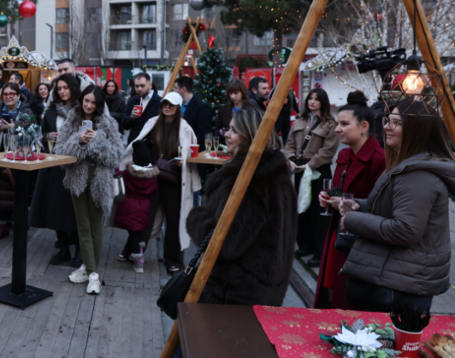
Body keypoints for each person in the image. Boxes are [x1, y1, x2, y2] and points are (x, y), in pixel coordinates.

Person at [340, 100, 455, 312]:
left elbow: (405, 230)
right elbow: (391, 208)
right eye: (387, 120)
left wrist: (351, 219)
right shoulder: (406, 165)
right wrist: (359, 205)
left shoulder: (417, 175)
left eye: (396, 122)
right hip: (397, 275)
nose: (386, 127)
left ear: (416, 130)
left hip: (399, 283)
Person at [184, 108, 296, 305]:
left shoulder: (248, 182)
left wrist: (196, 218)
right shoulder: (277, 176)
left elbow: (225, 245)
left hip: (235, 293)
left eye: (234, 130)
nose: (226, 134)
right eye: (229, 128)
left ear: (251, 136)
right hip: (265, 289)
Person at [313, 93, 385, 309]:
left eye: (344, 124)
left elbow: (382, 205)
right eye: (338, 124)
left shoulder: (379, 159)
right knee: (331, 292)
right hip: (338, 233)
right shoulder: (345, 155)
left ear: (364, 127)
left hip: (362, 241)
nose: (337, 129)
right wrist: (327, 196)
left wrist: (346, 203)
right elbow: (340, 190)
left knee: (348, 299)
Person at [55, 85, 123, 294]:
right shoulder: (72, 118)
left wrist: (96, 140)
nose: (89, 106)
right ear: (82, 99)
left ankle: (90, 271)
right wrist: (78, 141)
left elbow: (116, 155)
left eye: (94, 102)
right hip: (77, 177)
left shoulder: (107, 122)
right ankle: (92, 273)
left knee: (95, 226)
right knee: (82, 225)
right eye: (86, 100)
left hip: (99, 178)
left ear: (99, 104)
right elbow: (59, 151)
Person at [123, 92, 200, 273]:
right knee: (143, 215)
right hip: (152, 177)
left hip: (174, 180)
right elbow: (141, 144)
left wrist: (183, 160)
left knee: (174, 220)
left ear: (178, 108)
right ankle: (133, 251)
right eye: (165, 103)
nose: (167, 107)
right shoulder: (153, 123)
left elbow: (192, 152)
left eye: (171, 105)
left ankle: (173, 260)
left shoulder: (185, 128)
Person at [30, 75, 82, 267]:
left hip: (74, 164)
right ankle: (63, 248)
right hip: (53, 164)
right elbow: (40, 133)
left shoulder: (81, 110)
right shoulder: (51, 110)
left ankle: (80, 250)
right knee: (55, 207)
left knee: (74, 209)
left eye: (65, 88)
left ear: (73, 88)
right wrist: (47, 136)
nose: (62, 91)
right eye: (59, 88)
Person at [284, 88, 339, 267]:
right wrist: (290, 159)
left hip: (319, 170)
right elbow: (289, 144)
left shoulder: (330, 124)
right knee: (302, 209)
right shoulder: (298, 121)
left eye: (316, 99)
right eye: (310, 98)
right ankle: (304, 245)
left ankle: (319, 251)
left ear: (323, 102)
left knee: (320, 211)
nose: (312, 101)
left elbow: (328, 150)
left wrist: (311, 164)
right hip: (299, 169)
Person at [0, 82, 37, 240]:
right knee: (2, 193)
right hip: (1, 156)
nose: (8, 97)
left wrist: (13, 128)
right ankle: (3, 225)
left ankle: (20, 222)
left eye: (11, 94)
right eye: (5, 94)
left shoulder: (26, 111)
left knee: (19, 191)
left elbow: (33, 134)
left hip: (20, 158)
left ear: (18, 96)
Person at [115, 139, 158, 273]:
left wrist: (117, 169)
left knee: (132, 232)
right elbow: (154, 189)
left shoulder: (128, 173)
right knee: (137, 230)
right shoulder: (153, 176)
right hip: (144, 207)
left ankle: (138, 261)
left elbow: (119, 175)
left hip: (129, 206)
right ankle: (139, 248)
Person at [174, 75, 213, 157]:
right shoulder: (177, 105)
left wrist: (188, 147)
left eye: (176, 88)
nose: (174, 91)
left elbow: (203, 133)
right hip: (177, 151)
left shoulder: (201, 107)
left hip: (194, 153)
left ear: (183, 89)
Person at [121, 72, 163, 145]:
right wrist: (131, 117)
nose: (139, 89)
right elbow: (124, 125)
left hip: (152, 145)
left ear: (150, 85)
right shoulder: (132, 101)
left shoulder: (159, 102)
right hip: (134, 144)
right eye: (137, 86)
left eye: (142, 86)